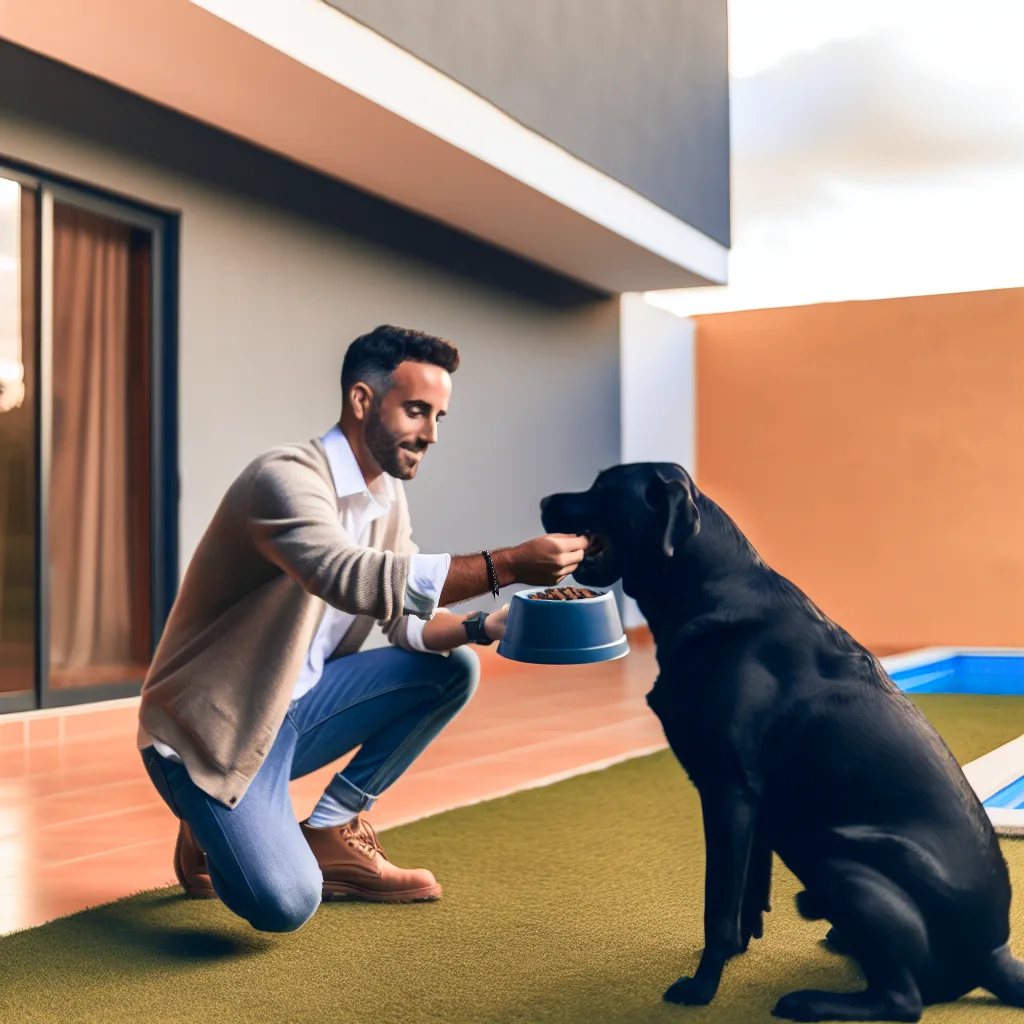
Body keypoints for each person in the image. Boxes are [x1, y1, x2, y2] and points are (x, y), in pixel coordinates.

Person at [137, 324, 589, 932]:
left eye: (439, 416)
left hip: (292, 714)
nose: (430, 433)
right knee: (288, 904)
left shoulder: (384, 498)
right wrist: (505, 564)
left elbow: (405, 620)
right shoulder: (284, 480)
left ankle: (329, 828)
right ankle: (205, 815)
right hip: (210, 736)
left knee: (454, 668)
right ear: (361, 401)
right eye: (416, 411)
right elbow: (353, 577)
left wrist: (486, 625)